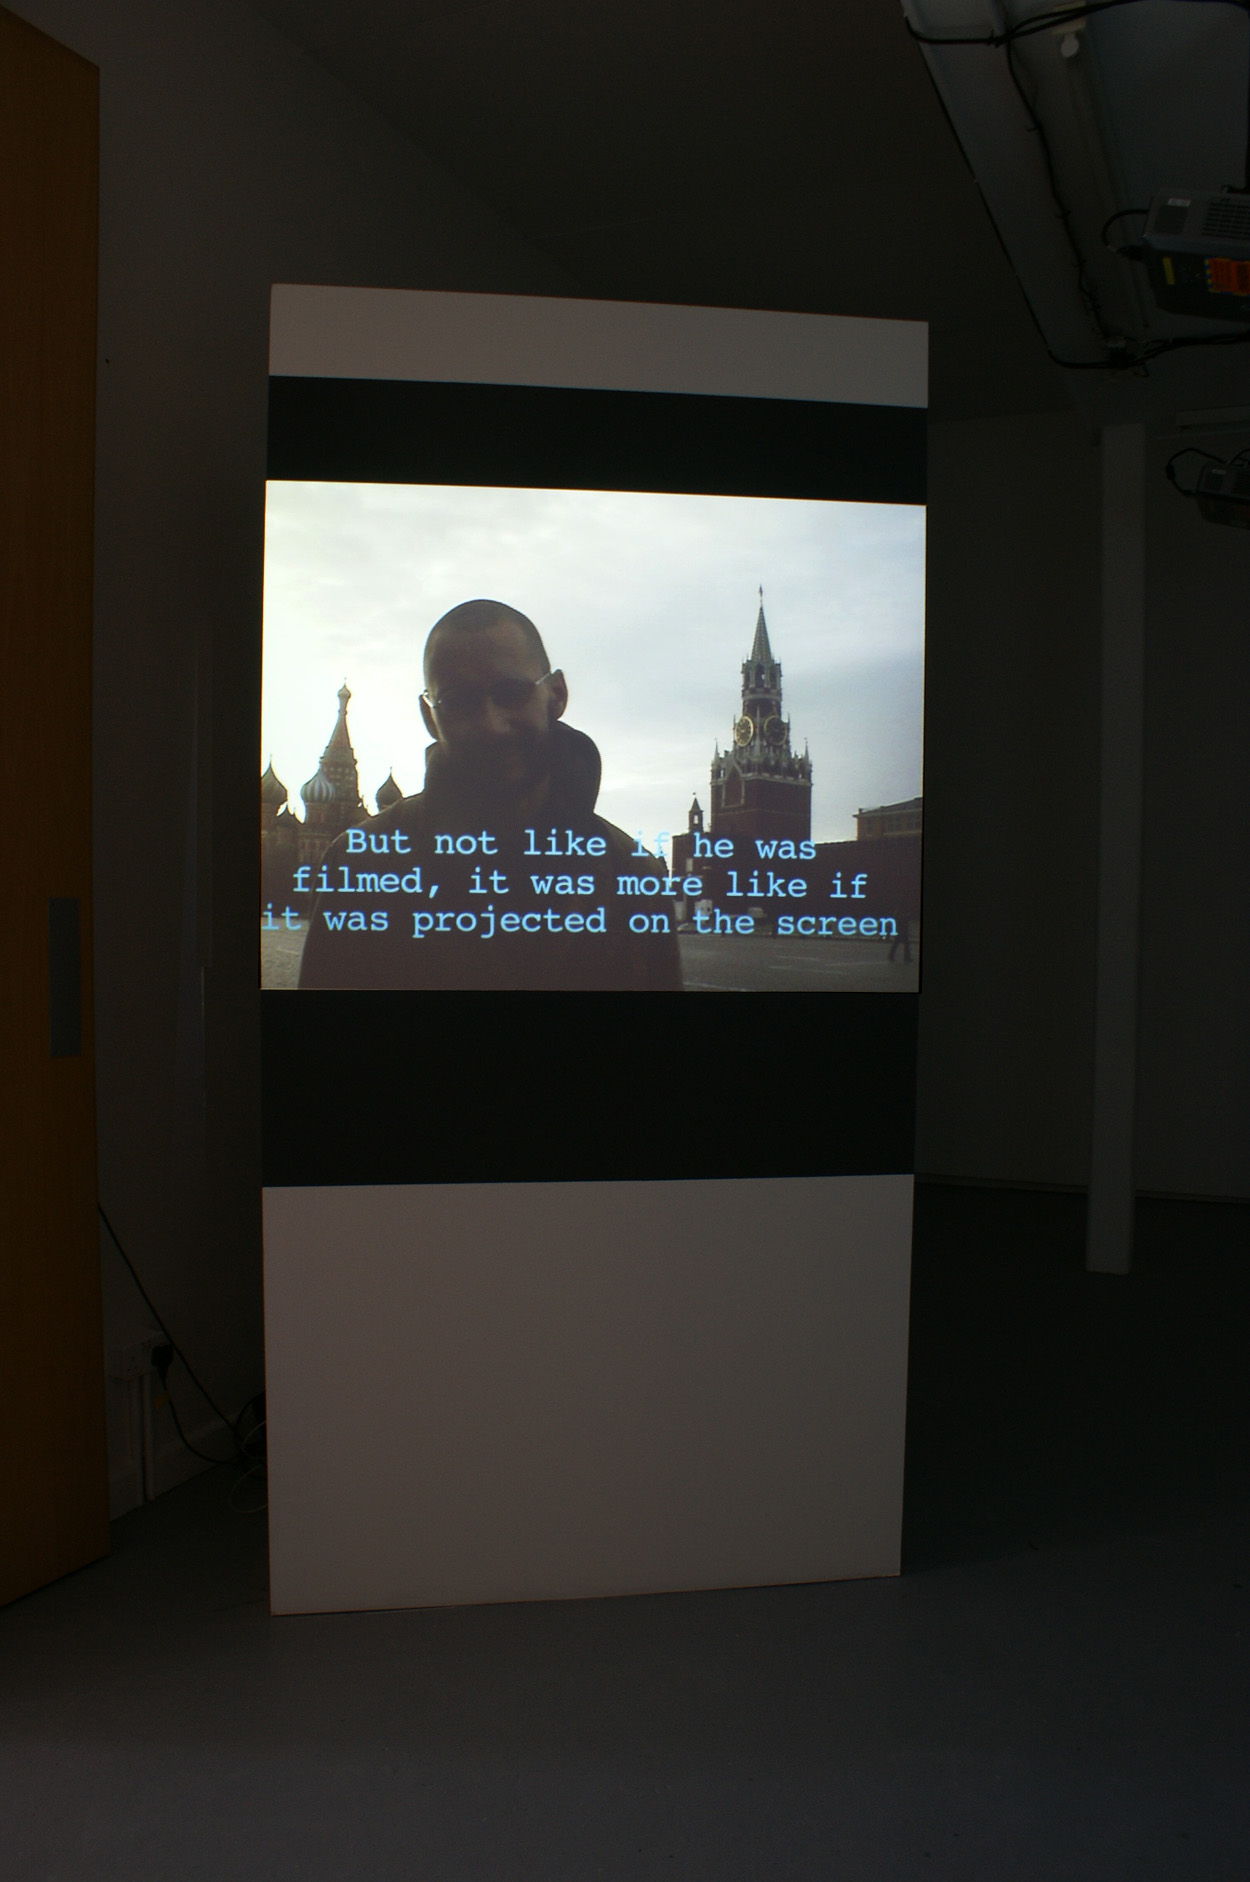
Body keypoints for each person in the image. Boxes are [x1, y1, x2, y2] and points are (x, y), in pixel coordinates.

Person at [298, 599, 683, 991]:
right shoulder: (359, 867)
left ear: (557, 694)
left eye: (511, 693)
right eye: (457, 701)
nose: (490, 724)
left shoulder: (634, 877)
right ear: (430, 717)